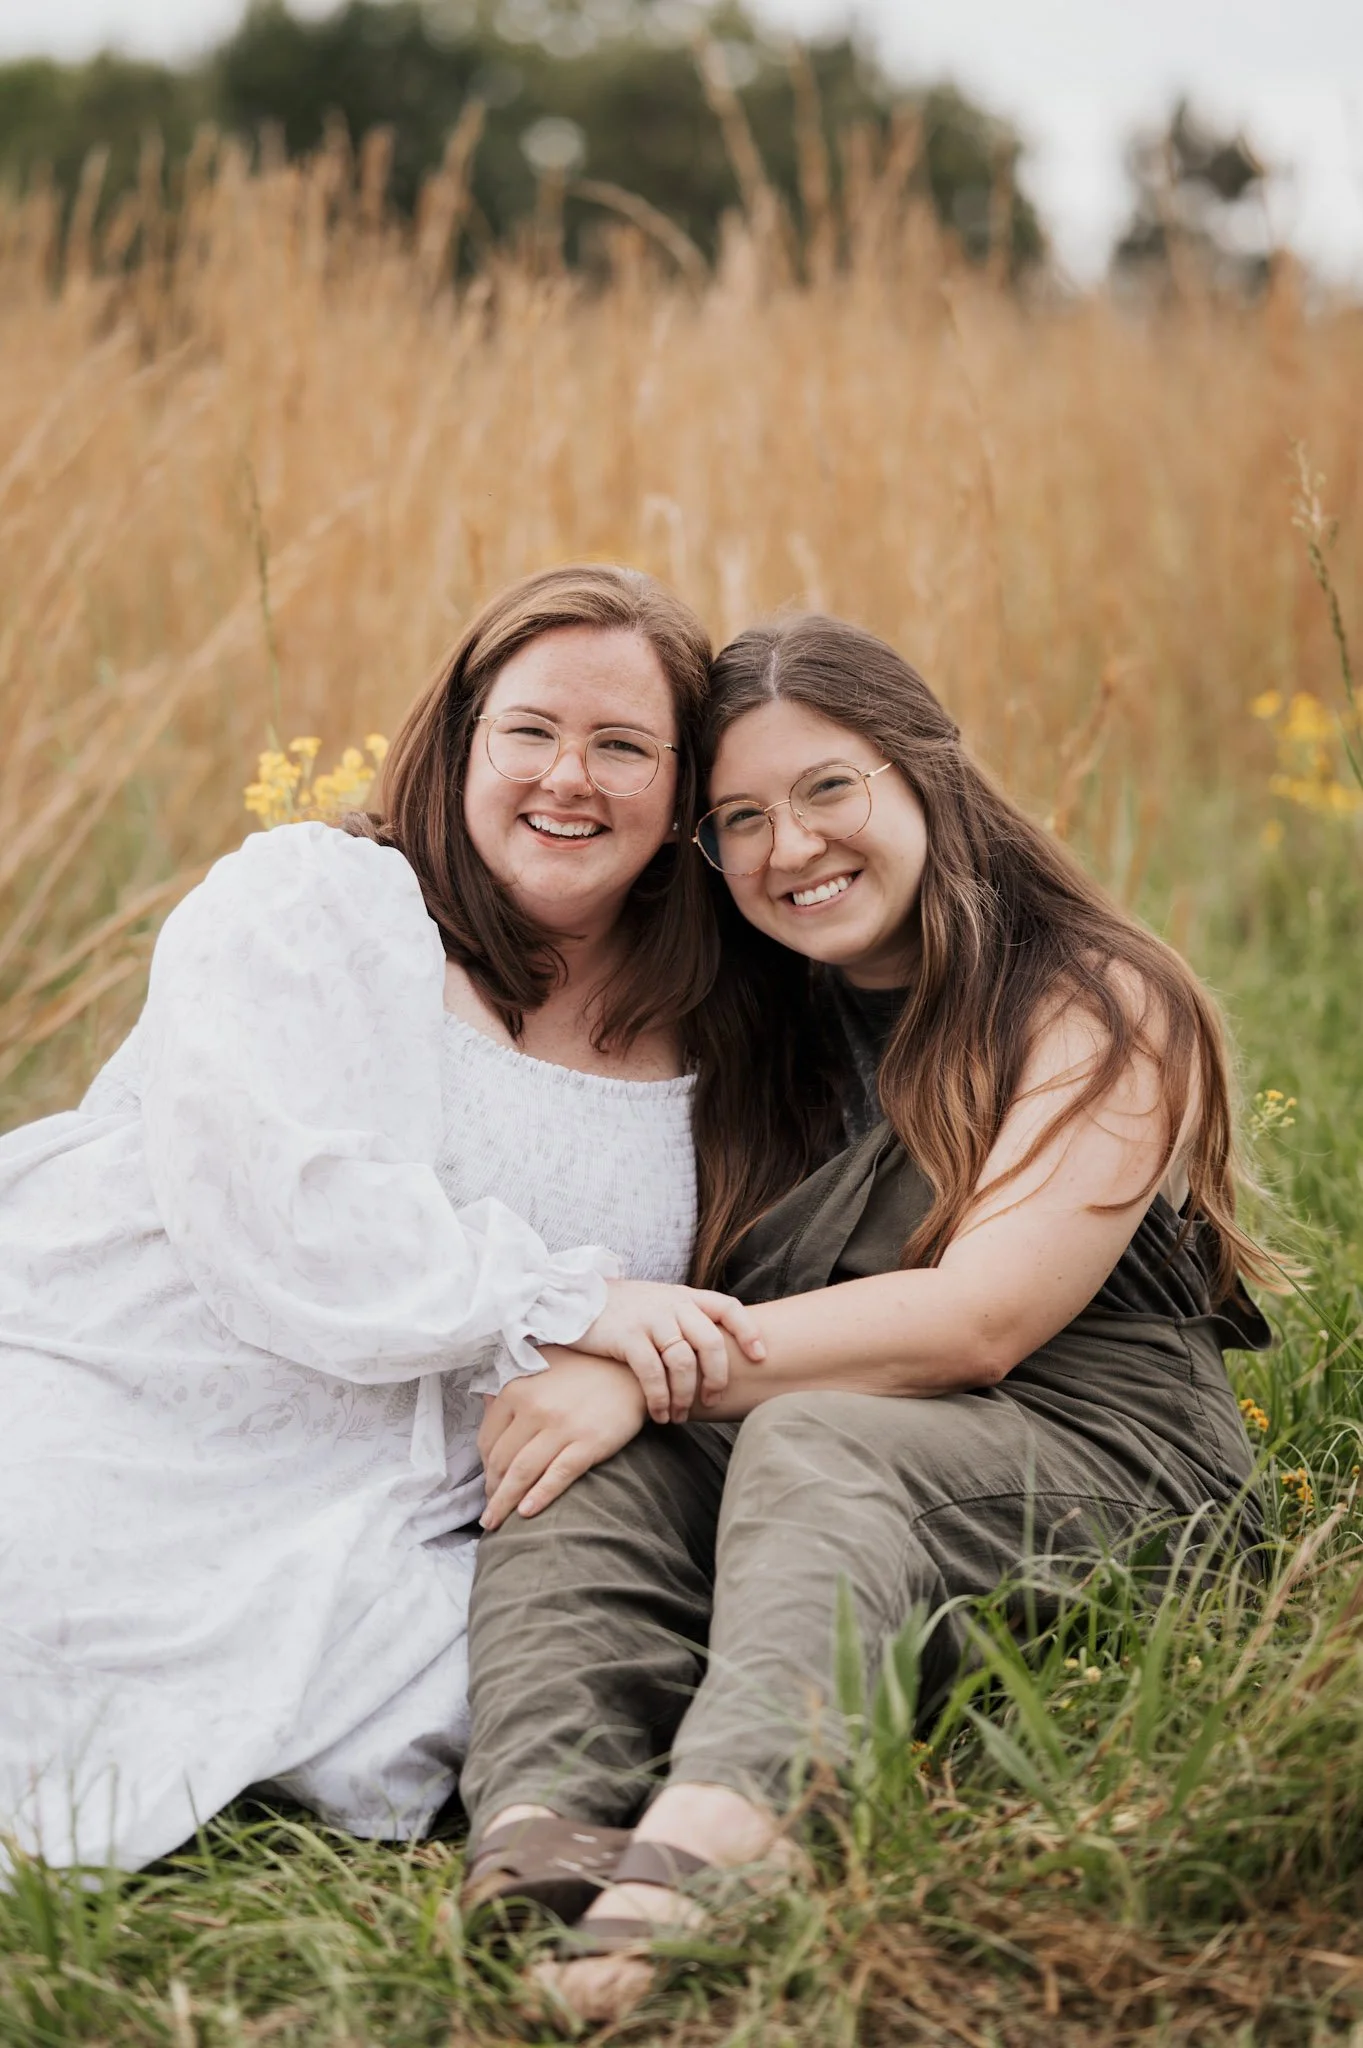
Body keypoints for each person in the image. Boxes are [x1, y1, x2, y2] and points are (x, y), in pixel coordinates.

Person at [456, 613, 1272, 2028]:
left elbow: (980, 1322)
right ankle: (545, 1829)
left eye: (831, 788)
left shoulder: (1096, 996)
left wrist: (644, 1368)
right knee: (597, 1473)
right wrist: (623, 1395)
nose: (791, 848)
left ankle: (720, 1843)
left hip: (1110, 1459)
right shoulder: (746, 1025)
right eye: (740, 820)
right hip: (834, 1432)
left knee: (809, 1444)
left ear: (926, 777)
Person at [0, 563, 767, 1880]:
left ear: (685, 790)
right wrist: (573, 1309)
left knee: (548, 1668)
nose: (568, 777)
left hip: (424, 1503)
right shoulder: (319, 906)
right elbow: (288, 1216)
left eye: (622, 745)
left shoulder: (731, 1035)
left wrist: (626, 1383)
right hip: (156, 1382)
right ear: (460, 741)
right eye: (529, 731)